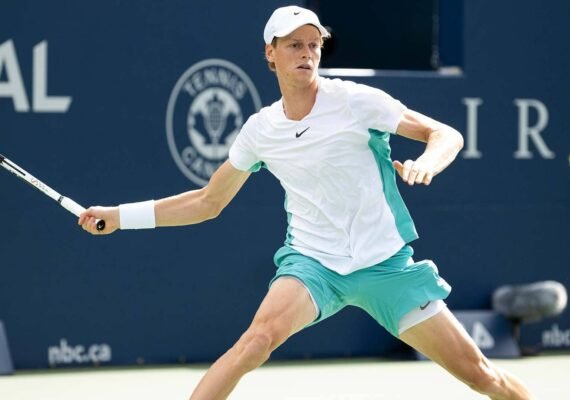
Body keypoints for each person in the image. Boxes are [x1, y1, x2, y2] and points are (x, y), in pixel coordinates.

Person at [79, 5, 534, 400]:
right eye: (294, 45)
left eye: (314, 44)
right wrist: (120, 218)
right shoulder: (261, 130)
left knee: (482, 377)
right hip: (314, 265)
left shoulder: (356, 101)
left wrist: (428, 162)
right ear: (270, 54)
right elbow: (207, 201)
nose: (307, 53)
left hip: (386, 266)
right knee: (255, 341)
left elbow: (445, 134)